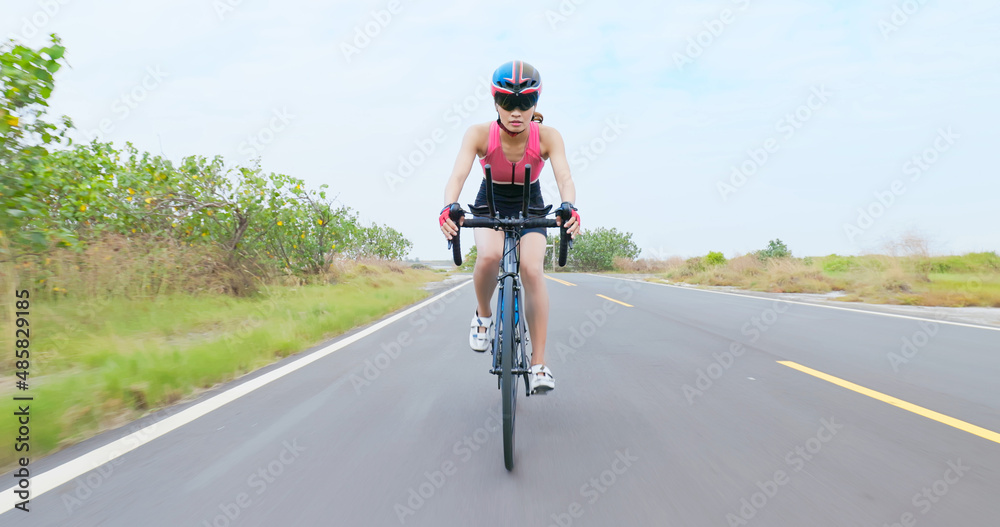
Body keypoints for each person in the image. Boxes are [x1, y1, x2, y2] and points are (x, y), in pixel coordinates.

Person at [438, 60, 581, 394]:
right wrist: (448, 206)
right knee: (488, 257)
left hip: (530, 203)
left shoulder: (548, 136)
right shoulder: (477, 134)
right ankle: (484, 316)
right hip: (490, 200)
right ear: (495, 102)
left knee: (532, 271)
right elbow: (457, 175)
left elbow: (564, 177)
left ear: (535, 104)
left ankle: (539, 364)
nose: (516, 111)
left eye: (525, 103)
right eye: (507, 102)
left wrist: (569, 206)